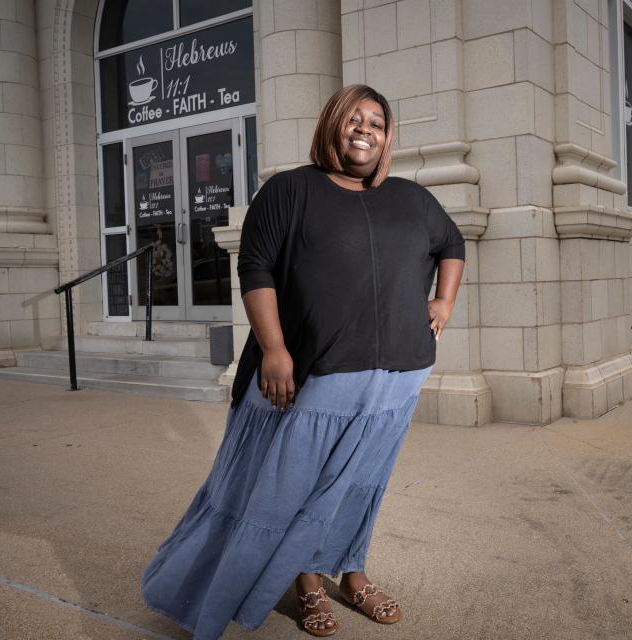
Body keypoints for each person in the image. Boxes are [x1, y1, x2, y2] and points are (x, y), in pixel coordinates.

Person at [140, 84, 466, 639]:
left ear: (387, 138)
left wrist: (443, 302)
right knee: (293, 487)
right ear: (332, 125)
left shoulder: (412, 198)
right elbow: (257, 268)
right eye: (354, 119)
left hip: (399, 376)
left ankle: (354, 576)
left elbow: (452, 243)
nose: (365, 129)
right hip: (318, 370)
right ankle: (309, 583)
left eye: (377, 123)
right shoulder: (291, 190)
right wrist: (273, 349)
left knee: (362, 484)